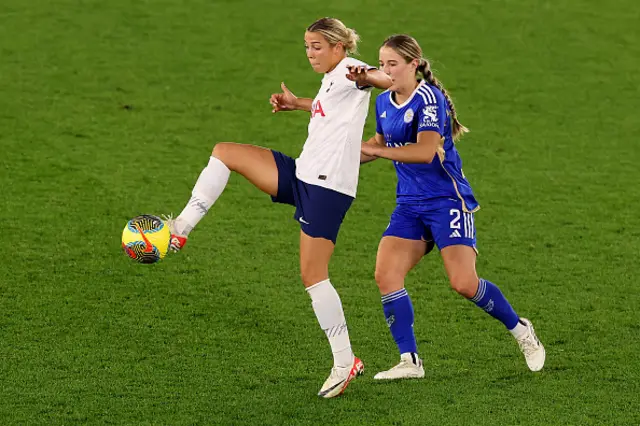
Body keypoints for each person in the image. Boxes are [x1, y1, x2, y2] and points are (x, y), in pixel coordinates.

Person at [165, 18, 392, 398]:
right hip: (302, 174)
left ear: (338, 46)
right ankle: (181, 228)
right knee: (225, 153)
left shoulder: (353, 71)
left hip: (326, 191)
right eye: (306, 46)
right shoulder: (333, 77)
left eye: (316, 46)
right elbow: (326, 106)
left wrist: (393, 77)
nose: (309, 53)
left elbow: (375, 78)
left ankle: (344, 361)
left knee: (313, 274)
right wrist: (296, 103)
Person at [357, 34, 545, 380]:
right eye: (381, 65)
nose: (386, 71)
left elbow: (424, 151)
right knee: (386, 274)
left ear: (414, 65)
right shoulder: (383, 102)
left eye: (393, 64)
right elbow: (378, 143)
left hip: (446, 201)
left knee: (463, 283)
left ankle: (521, 330)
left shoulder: (430, 99)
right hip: (409, 204)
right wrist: (342, 158)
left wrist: (377, 152)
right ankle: (409, 361)